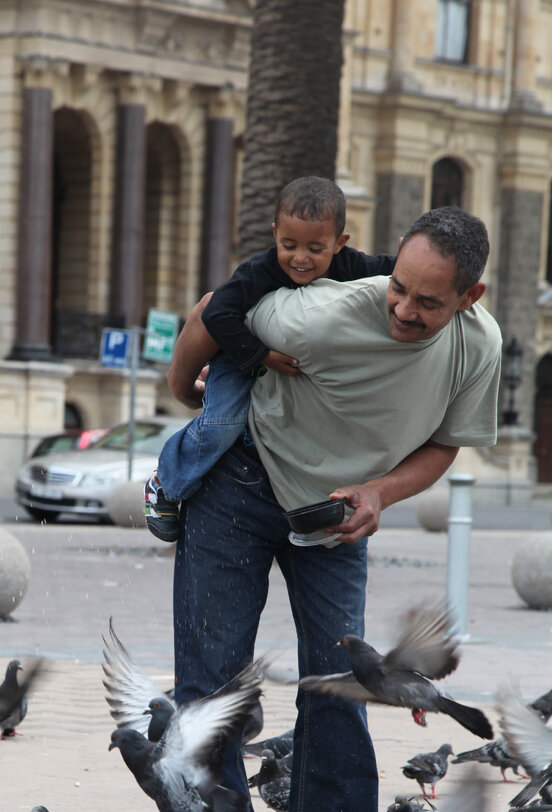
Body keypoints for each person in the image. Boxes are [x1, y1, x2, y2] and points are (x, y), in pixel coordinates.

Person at [167, 205, 501, 812]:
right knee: (213, 677)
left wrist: (380, 492)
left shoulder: (480, 346)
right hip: (241, 483)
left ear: (471, 297)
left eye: (428, 301)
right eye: (398, 288)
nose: (403, 310)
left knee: (345, 680)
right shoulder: (321, 312)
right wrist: (182, 391)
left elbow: (444, 444)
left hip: (335, 513)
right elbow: (207, 312)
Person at [144, 176, 395, 541]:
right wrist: (262, 358)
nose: (300, 258)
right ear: (274, 233)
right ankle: (165, 481)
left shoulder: (349, 266)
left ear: (340, 244)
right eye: (288, 244)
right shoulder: (259, 271)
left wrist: (417, 263)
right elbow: (217, 315)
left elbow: (390, 271)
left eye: (315, 248)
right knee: (223, 424)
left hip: (292, 368)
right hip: (241, 355)